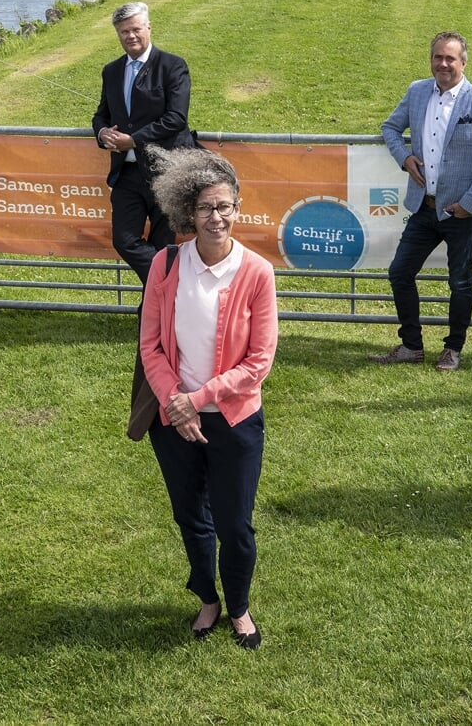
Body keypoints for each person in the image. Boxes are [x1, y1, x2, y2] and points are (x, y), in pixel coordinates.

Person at [137, 147, 278, 650]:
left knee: (235, 525)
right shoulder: (165, 264)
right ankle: (207, 600)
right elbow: (150, 344)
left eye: (224, 206)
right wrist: (175, 403)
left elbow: (259, 362)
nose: (216, 217)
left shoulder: (258, 272)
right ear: (186, 213)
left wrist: (197, 400)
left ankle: (238, 607)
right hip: (173, 420)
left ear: (237, 207)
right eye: (205, 208)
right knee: (190, 517)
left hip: (233, 421)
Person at [373, 32, 472, 371]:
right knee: (400, 272)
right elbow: (390, 128)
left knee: (459, 281)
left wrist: (469, 203)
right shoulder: (417, 92)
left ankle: (453, 349)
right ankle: (411, 345)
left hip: (460, 212)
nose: (443, 64)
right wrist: (404, 157)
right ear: (431, 60)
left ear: (463, 62)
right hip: (423, 206)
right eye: (438, 57)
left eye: (450, 58)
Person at [91, 2, 195, 282]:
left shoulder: (172, 66)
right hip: (127, 174)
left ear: (148, 27)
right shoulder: (111, 71)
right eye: (124, 31)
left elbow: (176, 118)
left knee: (164, 246)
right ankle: (171, 288)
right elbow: (101, 115)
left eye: (136, 29)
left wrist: (133, 140)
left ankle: (155, 315)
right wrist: (102, 134)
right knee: (124, 240)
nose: (130, 36)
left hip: (166, 171)